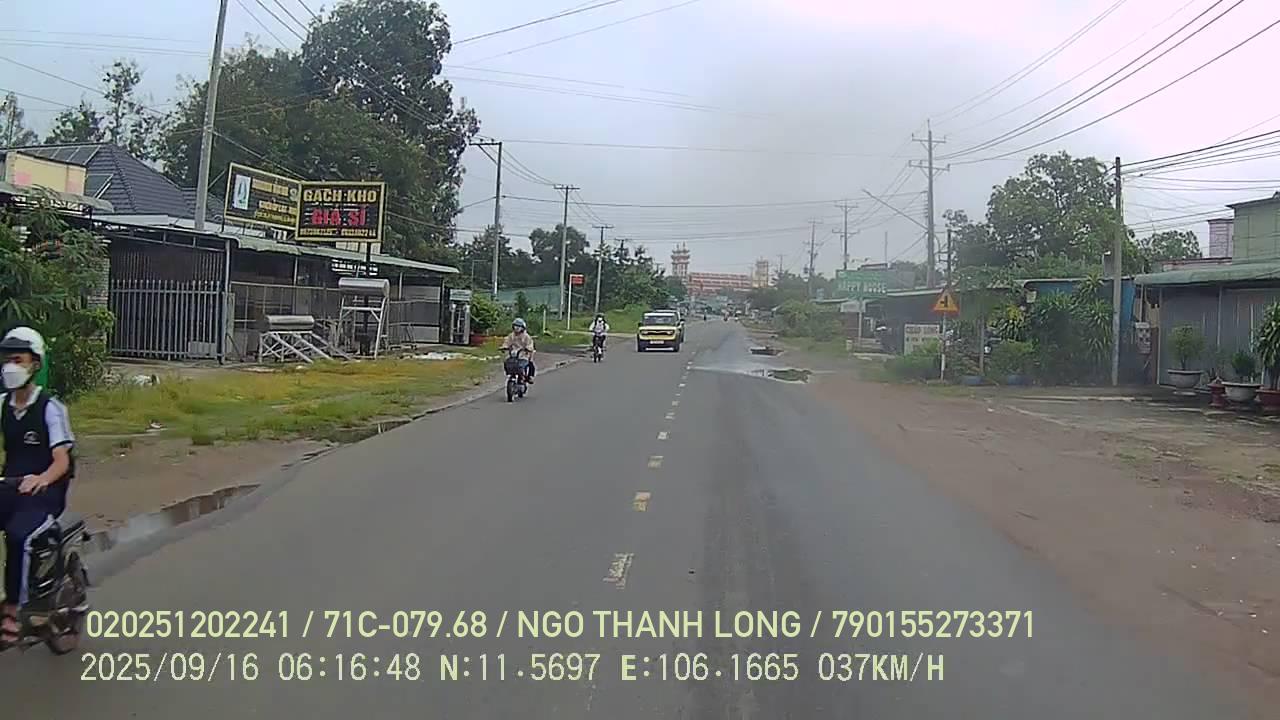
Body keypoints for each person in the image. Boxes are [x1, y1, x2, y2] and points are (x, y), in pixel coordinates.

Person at [0, 327, 75, 646]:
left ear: (35, 364)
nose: (10, 367)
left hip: (45, 492)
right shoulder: (2, 404)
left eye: (18, 360)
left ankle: (15, 609)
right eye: (6, 360)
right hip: (10, 487)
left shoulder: (50, 408)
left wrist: (41, 479)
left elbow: (62, 461)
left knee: (20, 536)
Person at [500, 318, 536, 383]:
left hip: (524, 354)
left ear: (522, 328)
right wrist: (504, 347)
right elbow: (507, 342)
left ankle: (530, 376)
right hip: (513, 354)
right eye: (515, 326)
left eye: (518, 326)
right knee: (507, 362)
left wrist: (528, 348)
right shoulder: (511, 336)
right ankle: (511, 374)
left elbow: (530, 344)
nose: (516, 328)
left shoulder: (526, 336)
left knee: (530, 363)